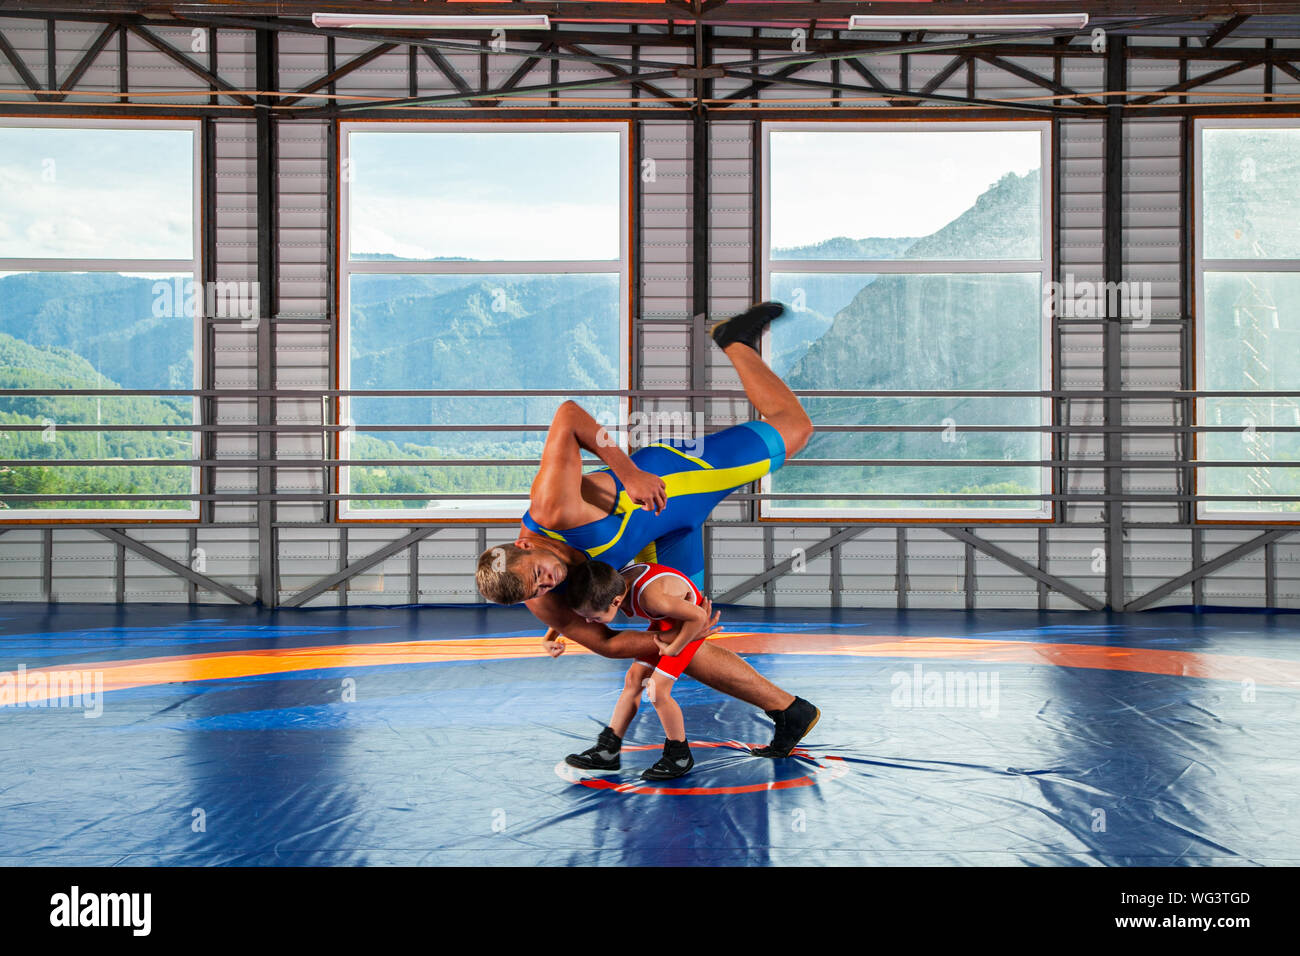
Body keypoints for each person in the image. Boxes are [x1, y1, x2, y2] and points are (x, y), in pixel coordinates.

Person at [478, 302, 820, 758]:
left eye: (538, 572)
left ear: (524, 545)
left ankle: (733, 340)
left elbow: (568, 416)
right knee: (683, 638)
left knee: (795, 428)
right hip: (667, 539)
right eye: (533, 590)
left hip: (673, 483)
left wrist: (628, 472)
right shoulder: (542, 601)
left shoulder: (552, 507)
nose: (547, 583)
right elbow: (605, 642)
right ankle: (790, 711)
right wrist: (672, 639)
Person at [551, 559, 723, 780]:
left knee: (656, 689)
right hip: (669, 619)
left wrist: (674, 648)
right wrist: (550, 636)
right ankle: (608, 751)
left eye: (595, 618)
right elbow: (573, 615)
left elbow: (698, 617)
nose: (588, 621)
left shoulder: (650, 598)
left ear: (616, 601)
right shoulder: (609, 583)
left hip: (689, 625)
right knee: (634, 679)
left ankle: (679, 755)